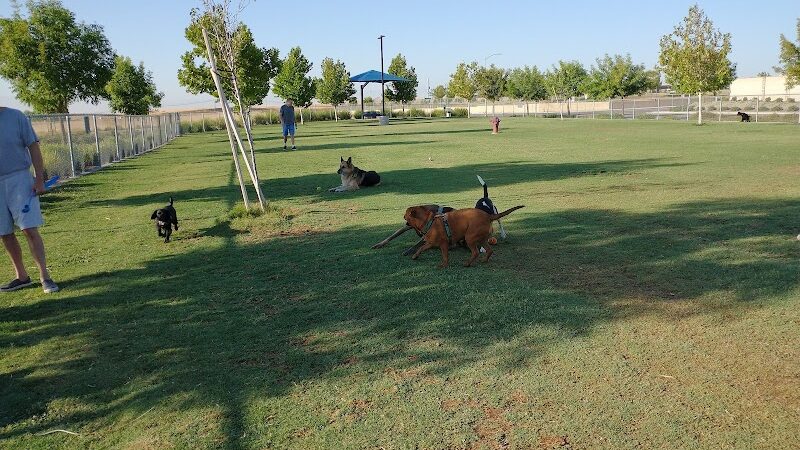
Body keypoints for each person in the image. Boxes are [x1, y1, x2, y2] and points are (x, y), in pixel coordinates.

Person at [0, 106, 58, 293]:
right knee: (5, 233)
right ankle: (21, 276)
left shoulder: (15, 116)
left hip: (19, 179)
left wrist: (39, 179)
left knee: (29, 228)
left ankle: (45, 277)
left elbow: (33, 145)